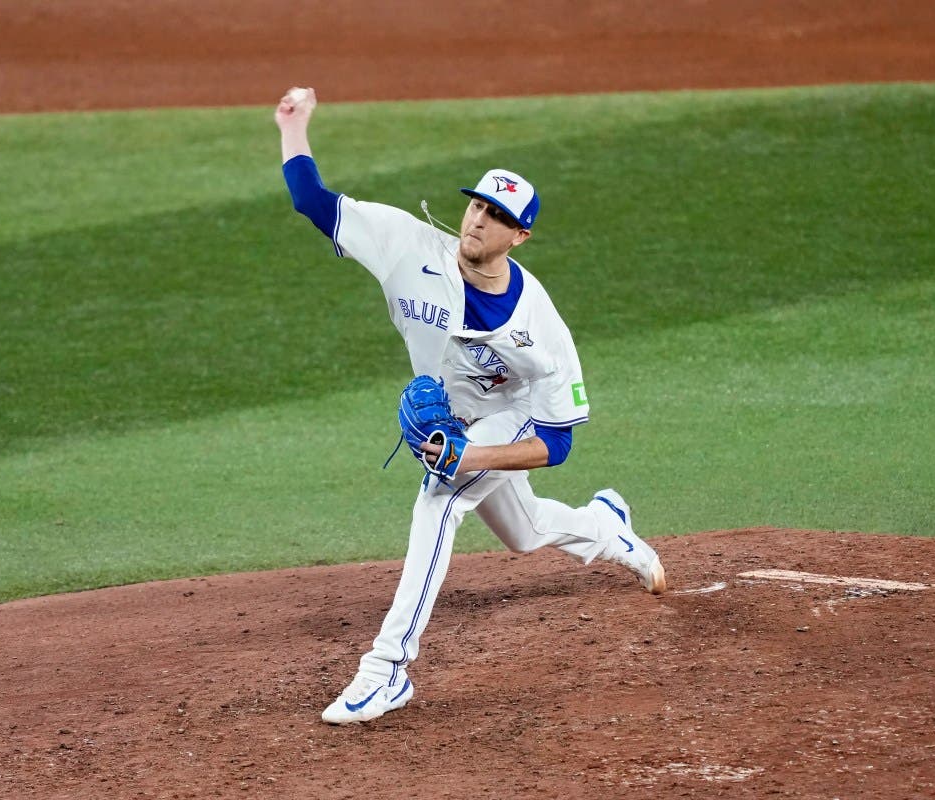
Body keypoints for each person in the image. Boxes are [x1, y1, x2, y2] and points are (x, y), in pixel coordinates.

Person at [274, 87, 666, 725]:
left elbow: (557, 443)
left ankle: (387, 669)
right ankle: (604, 525)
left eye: (496, 215)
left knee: (443, 497)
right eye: (475, 205)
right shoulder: (409, 246)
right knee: (526, 533)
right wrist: (293, 126)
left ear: (521, 234)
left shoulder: (541, 333)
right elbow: (311, 202)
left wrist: (468, 454)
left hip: (510, 415)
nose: (477, 220)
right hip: (459, 420)